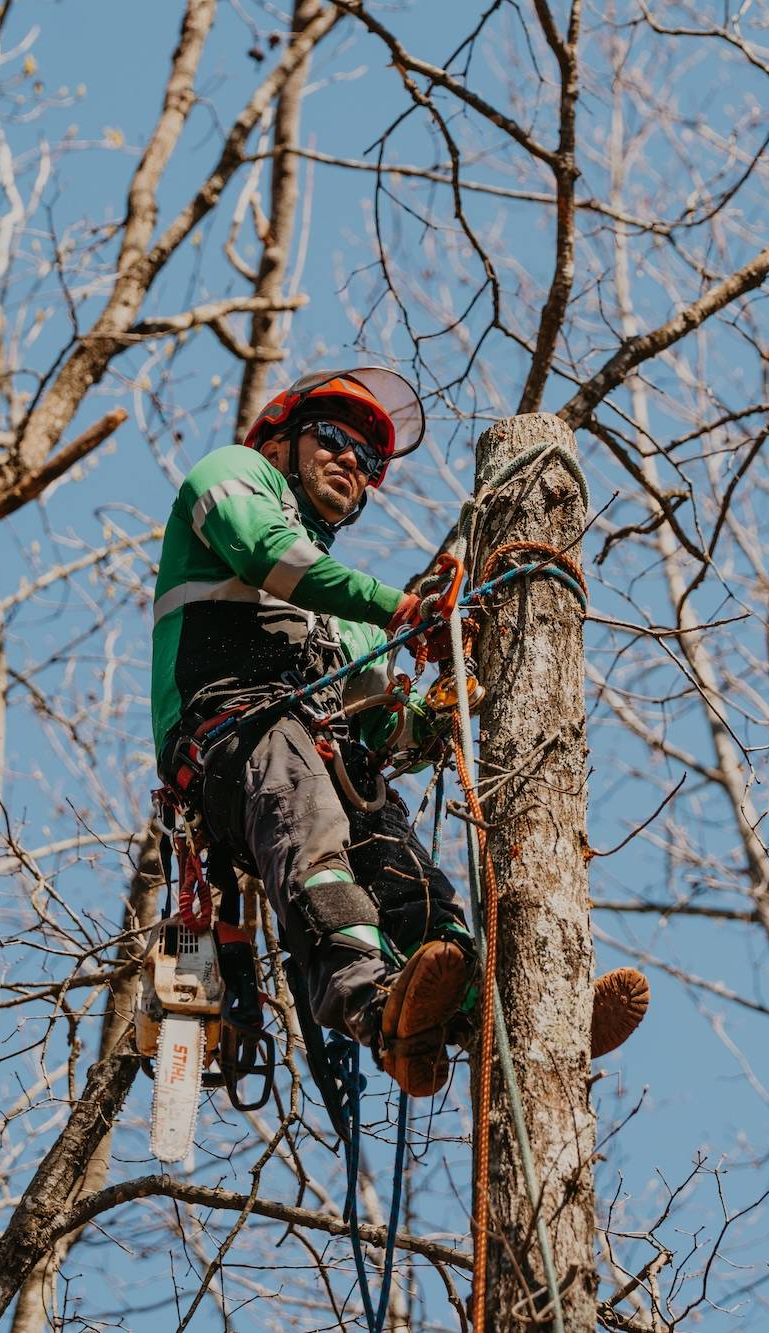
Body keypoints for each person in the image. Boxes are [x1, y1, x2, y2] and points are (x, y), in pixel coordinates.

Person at [151, 367, 646, 1098]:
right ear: (280, 442)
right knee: (310, 826)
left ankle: (490, 1010)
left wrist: (436, 713)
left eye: (369, 459)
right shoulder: (233, 476)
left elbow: (382, 726)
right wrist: (403, 609)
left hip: (321, 759)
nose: (352, 461)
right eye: (333, 438)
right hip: (233, 733)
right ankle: (373, 1001)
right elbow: (264, 553)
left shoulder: (345, 618)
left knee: (402, 864)